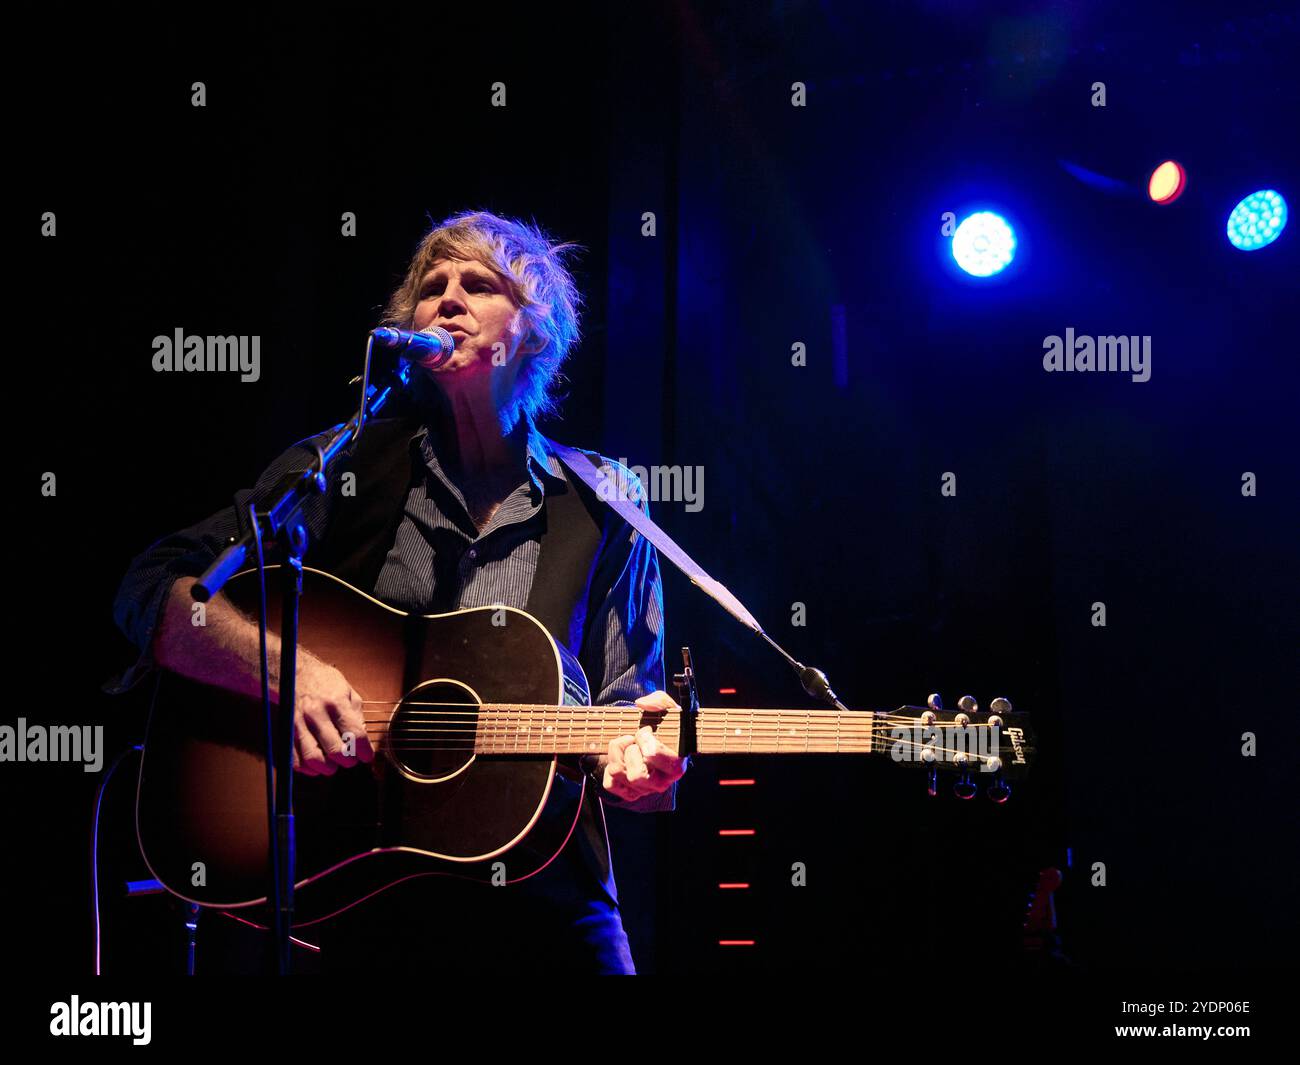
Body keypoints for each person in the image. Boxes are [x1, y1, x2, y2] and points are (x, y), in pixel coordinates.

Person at [110, 209, 688, 974]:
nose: (445, 299)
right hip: (363, 888)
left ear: (534, 332)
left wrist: (641, 768)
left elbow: (629, 723)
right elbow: (153, 589)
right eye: (430, 287)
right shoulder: (344, 468)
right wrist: (284, 672)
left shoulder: (606, 499)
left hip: (549, 896)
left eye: (477, 284)